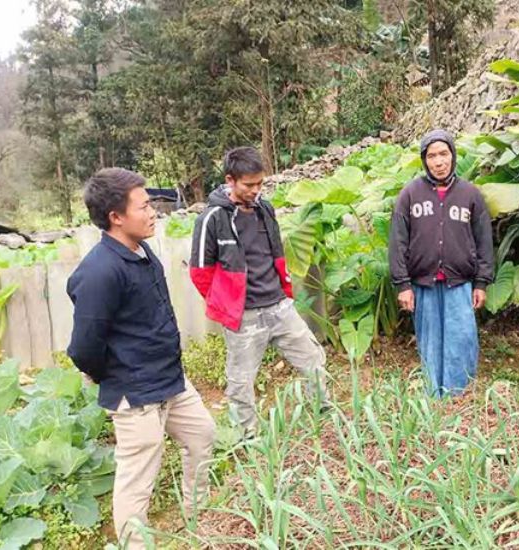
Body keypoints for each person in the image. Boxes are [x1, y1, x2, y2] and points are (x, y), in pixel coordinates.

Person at [67, 168, 216, 549]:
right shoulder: (100, 271)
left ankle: (196, 517)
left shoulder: (141, 248)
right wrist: (115, 377)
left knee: (202, 435)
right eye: (144, 206)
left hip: (169, 377)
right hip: (134, 393)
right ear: (116, 217)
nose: (153, 213)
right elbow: (84, 348)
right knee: (137, 481)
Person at [189, 146, 329, 435]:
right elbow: (200, 272)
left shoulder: (265, 209)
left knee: (313, 357)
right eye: (248, 185)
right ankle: (248, 434)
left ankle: (324, 410)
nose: (256, 190)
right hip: (245, 316)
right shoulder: (212, 219)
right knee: (240, 381)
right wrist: (227, 302)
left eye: (260, 183)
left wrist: (284, 290)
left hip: (279, 306)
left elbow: (275, 251)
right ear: (230, 180)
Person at [388, 129, 494, 397]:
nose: (438, 161)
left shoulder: (470, 194)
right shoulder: (410, 194)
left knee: (461, 339)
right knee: (431, 342)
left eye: (443, 154)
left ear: (452, 155)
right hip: (423, 283)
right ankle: (434, 396)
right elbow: (398, 241)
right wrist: (402, 284)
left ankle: (459, 395)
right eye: (432, 155)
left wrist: (481, 282)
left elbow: (483, 241)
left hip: (459, 284)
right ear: (424, 160)